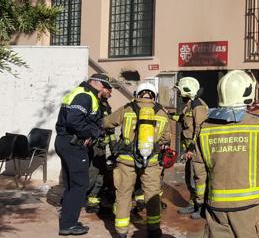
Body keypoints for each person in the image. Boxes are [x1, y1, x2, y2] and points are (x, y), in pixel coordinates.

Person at [198, 70, 259, 238]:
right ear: (246, 93)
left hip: (216, 207)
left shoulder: (205, 127)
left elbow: (199, 168)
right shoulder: (257, 124)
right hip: (249, 208)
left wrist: (200, 199)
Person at [103, 81, 172, 238]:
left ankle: (121, 232)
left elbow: (107, 122)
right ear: (154, 95)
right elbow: (166, 137)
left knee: (124, 195)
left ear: (137, 94)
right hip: (151, 161)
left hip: (126, 161)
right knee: (152, 195)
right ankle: (154, 230)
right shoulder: (161, 112)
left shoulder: (127, 109)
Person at [55, 73, 112, 236]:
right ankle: (68, 225)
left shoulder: (81, 93)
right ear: (98, 84)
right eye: (107, 87)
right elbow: (74, 120)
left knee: (72, 185)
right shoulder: (85, 96)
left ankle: (68, 220)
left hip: (66, 142)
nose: (109, 92)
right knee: (79, 185)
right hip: (73, 145)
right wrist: (91, 133)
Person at [173, 77, 209, 219]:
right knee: (189, 177)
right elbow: (183, 119)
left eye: (180, 91)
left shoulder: (198, 106)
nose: (179, 94)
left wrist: (191, 148)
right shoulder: (190, 104)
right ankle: (193, 203)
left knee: (198, 178)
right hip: (190, 148)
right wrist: (168, 115)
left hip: (196, 150)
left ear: (187, 91)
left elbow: (199, 128)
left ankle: (201, 207)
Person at [86, 98, 113, 213]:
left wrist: (113, 145)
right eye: (108, 89)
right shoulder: (94, 104)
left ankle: (93, 202)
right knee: (92, 174)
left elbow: (110, 128)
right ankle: (74, 199)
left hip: (102, 148)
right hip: (94, 147)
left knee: (101, 175)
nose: (110, 93)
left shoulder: (106, 105)